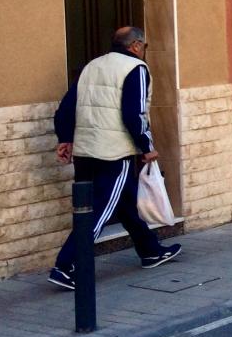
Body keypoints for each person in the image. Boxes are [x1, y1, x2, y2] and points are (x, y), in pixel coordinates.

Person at [48, 27, 180, 290]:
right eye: (145, 46)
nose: (144, 51)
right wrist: (146, 146)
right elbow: (135, 113)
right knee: (99, 210)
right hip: (114, 152)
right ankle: (65, 265)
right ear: (136, 45)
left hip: (85, 151)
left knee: (125, 202)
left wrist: (64, 138)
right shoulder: (136, 68)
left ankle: (150, 250)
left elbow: (66, 106)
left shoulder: (91, 66)